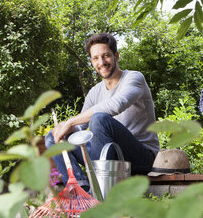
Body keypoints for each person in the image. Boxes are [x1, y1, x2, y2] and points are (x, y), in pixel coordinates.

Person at [45, 33, 160, 191]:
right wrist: (64, 129)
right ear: (92, 62)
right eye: (95, 58)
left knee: (99, 119)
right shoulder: (94, 92)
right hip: (108, 155)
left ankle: (98, 191)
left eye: (106, 56)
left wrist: (70, 121)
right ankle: (82, 193)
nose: (101, 62)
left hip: (140, 156)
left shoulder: (134, 78)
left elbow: (116, 105)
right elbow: (81, 127)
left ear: (116, 56)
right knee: (52, 137)